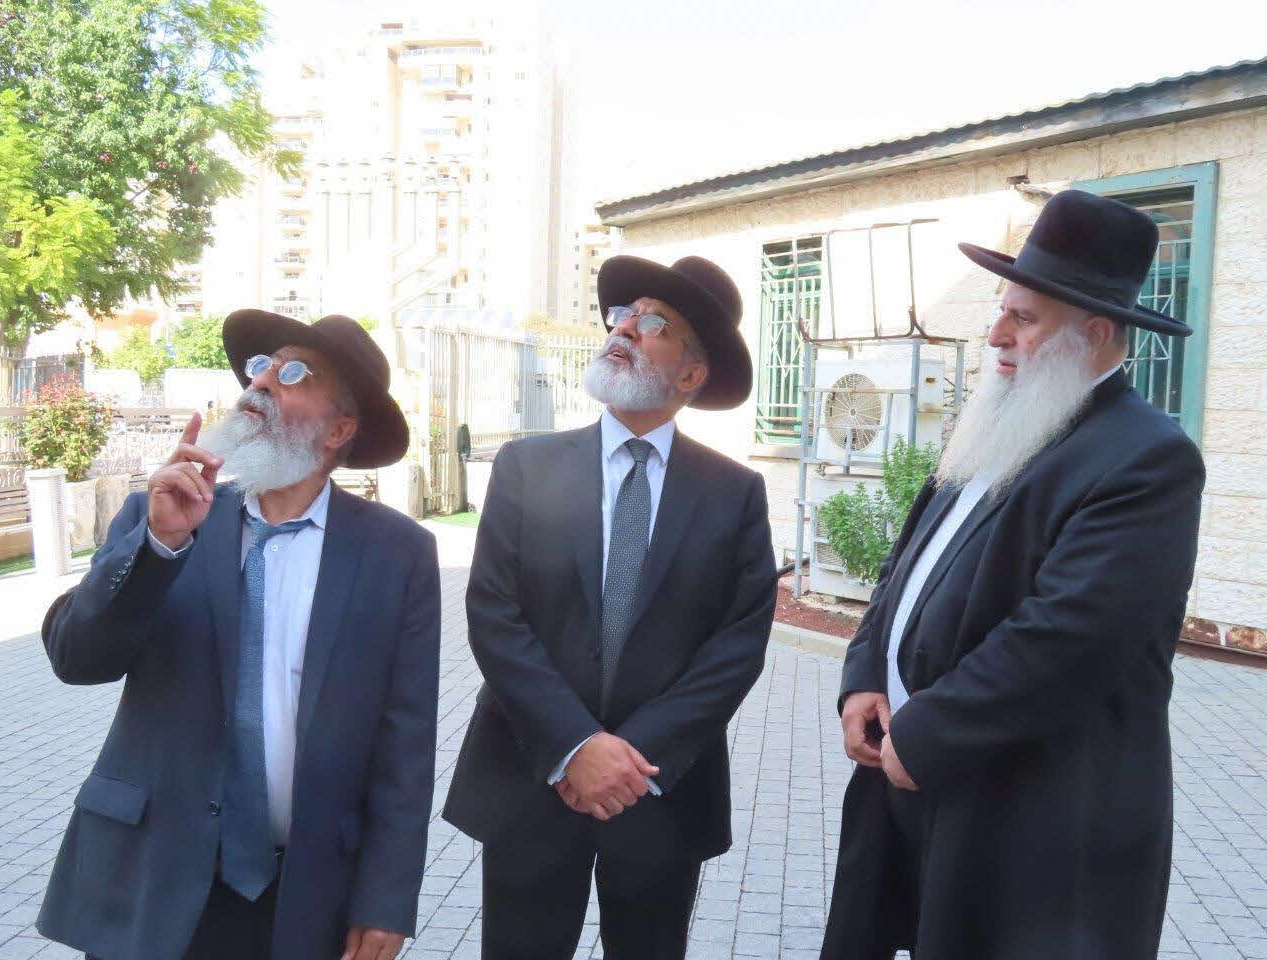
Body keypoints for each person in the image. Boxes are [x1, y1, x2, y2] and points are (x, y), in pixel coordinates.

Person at [820, 189, 1206, 960]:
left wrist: (926, 733)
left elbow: (1070, 639)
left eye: (1024, 319)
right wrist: (864, 673)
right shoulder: (1002, 419)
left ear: (1094, 333)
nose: (996, 333)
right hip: (914, 780)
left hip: (1029, 816)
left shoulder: (1147, 458)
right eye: (1002, 311)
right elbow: (905, 567)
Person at [36, 311, 441, 960]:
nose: (261, 382)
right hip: (155, 879)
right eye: (259, 367)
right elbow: (77, 659)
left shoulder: (398, 553)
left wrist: (387, 899)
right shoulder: (163, 515)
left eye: (295, 372)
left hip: (306, 890)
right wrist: (158, 546)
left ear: (339, 429)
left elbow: (405, 744)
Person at [442, 256, 778, 959]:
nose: (623, 327)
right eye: (622, 315)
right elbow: (494, 615)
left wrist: (630, 760)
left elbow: (738, 644)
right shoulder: (525, 467)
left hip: (658, 792)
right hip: (532, 778)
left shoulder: (734, 493)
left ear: (691, 374)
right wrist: (575, 746)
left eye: (653, 323)